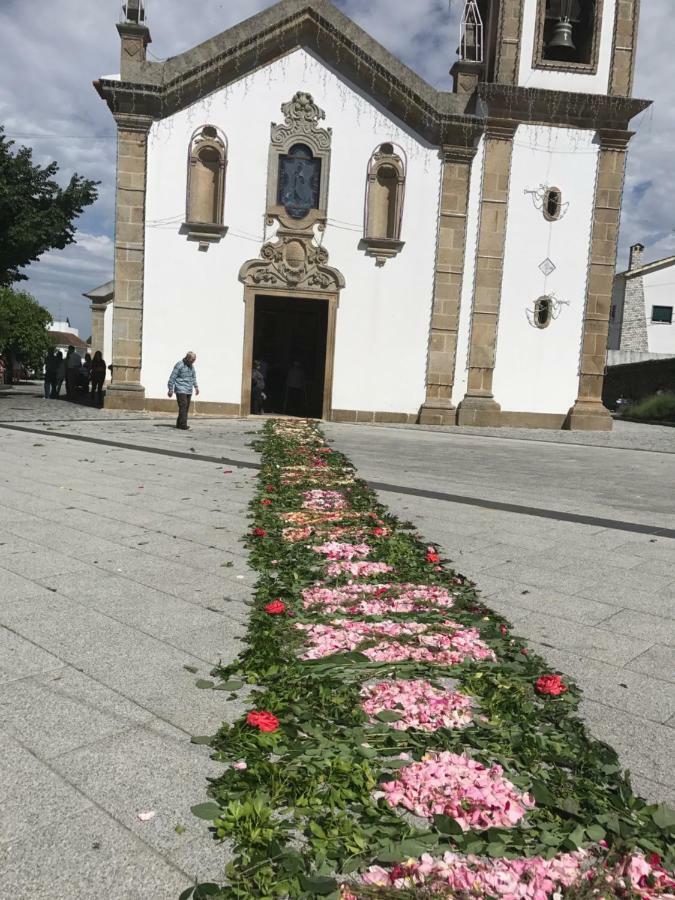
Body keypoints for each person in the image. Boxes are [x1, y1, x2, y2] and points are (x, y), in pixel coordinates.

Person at [167, 351, 199, 430]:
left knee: (185, 408)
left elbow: (193, 377)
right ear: (187, 358)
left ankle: (179, 424)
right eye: (192, 359)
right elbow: (172, 377)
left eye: (194, 359)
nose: (193, 361)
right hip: (180, 389)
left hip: (189, 390)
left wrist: (196, 387)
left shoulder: (191, 366)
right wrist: (170, 389)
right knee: (183, 406)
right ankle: (183, 425)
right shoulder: (179, 365)